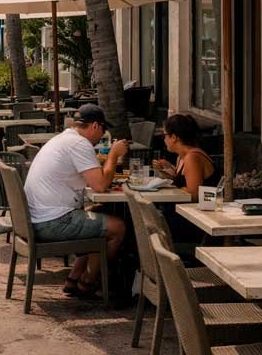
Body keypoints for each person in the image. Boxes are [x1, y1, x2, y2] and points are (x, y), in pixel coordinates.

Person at [23, 104, 128, 299]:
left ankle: (73, 278)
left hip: (38, 219)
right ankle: (88, 282)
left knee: (99, 210)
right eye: (104, 130)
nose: (103, 135)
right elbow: (100, 186)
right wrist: (113, 154)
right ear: (96, 126)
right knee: (117, 227)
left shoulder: (64, 139)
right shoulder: (80, 144)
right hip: (51, 222)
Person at [154, 114, 219, 201]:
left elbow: (194, 195)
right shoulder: (181, 157)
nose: (164, 139)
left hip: (198, 211)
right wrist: (167, 169)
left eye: (164, 135)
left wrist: (175, 189)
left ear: (174, 137)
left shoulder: (192, 157)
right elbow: (183, 183)